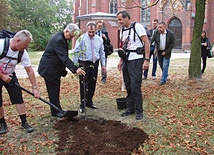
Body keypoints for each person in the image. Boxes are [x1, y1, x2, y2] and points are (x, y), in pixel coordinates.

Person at [38, 23, 86, 117]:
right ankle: (56, 111)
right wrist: (75, 69)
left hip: (54, 69)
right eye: (71, 36)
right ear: (67, 31)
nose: (71, 38)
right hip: (49, 69)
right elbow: (63, 57)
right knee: (53, 90)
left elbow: (62, 57)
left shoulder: (62, 38)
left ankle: (57, 109)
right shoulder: (59, 40)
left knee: (55, 90)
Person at [0, 30, 40, 134]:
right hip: (1, 75)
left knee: (18, 98)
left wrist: (34, 88)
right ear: (17, 41)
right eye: (25, 45)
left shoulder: (22, 53)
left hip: (10, 75)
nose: (26, 47)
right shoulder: (1, 45)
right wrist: (2, 76)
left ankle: (24, 122)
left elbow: (29, 70)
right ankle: (2, 123)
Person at [116, 10, 150, 120]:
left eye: (120, 19)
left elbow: (146, 42)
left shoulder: (137, 26)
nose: (119, 22)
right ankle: (130, 108)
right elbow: (124, 47)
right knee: (128, 85)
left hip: (136, 60)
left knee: (135, 86)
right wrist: (121, 61)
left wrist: (147, 60)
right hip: (126, 60)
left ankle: (139, 111)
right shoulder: (122, 30)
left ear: (126, 18)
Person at [73, 22, 106, 113]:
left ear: (96, 30)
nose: (91, 34)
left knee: (92, 82)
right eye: (89, 32)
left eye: (93, 32)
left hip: (94, 63)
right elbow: (76, 52)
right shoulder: (81, 39)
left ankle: (89, 101)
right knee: (83, 84)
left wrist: (103, 65)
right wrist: (74, 66)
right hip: (84, 63)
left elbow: (102, 53)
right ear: (87, 30)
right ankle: (82, 103)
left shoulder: (99, 39)